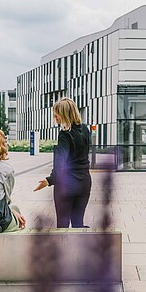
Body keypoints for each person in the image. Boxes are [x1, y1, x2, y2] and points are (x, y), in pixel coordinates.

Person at [34, 97, 92, 228]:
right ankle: (79, 248)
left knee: (63, 226)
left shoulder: (65, 134)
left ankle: (64, 248)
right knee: (78, 224)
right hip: (84, 182)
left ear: (64, 114)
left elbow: (61, 162)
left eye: (57, 113)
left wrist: (49, 180)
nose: (55, 117)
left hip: (67, 185)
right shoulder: (85, 130)